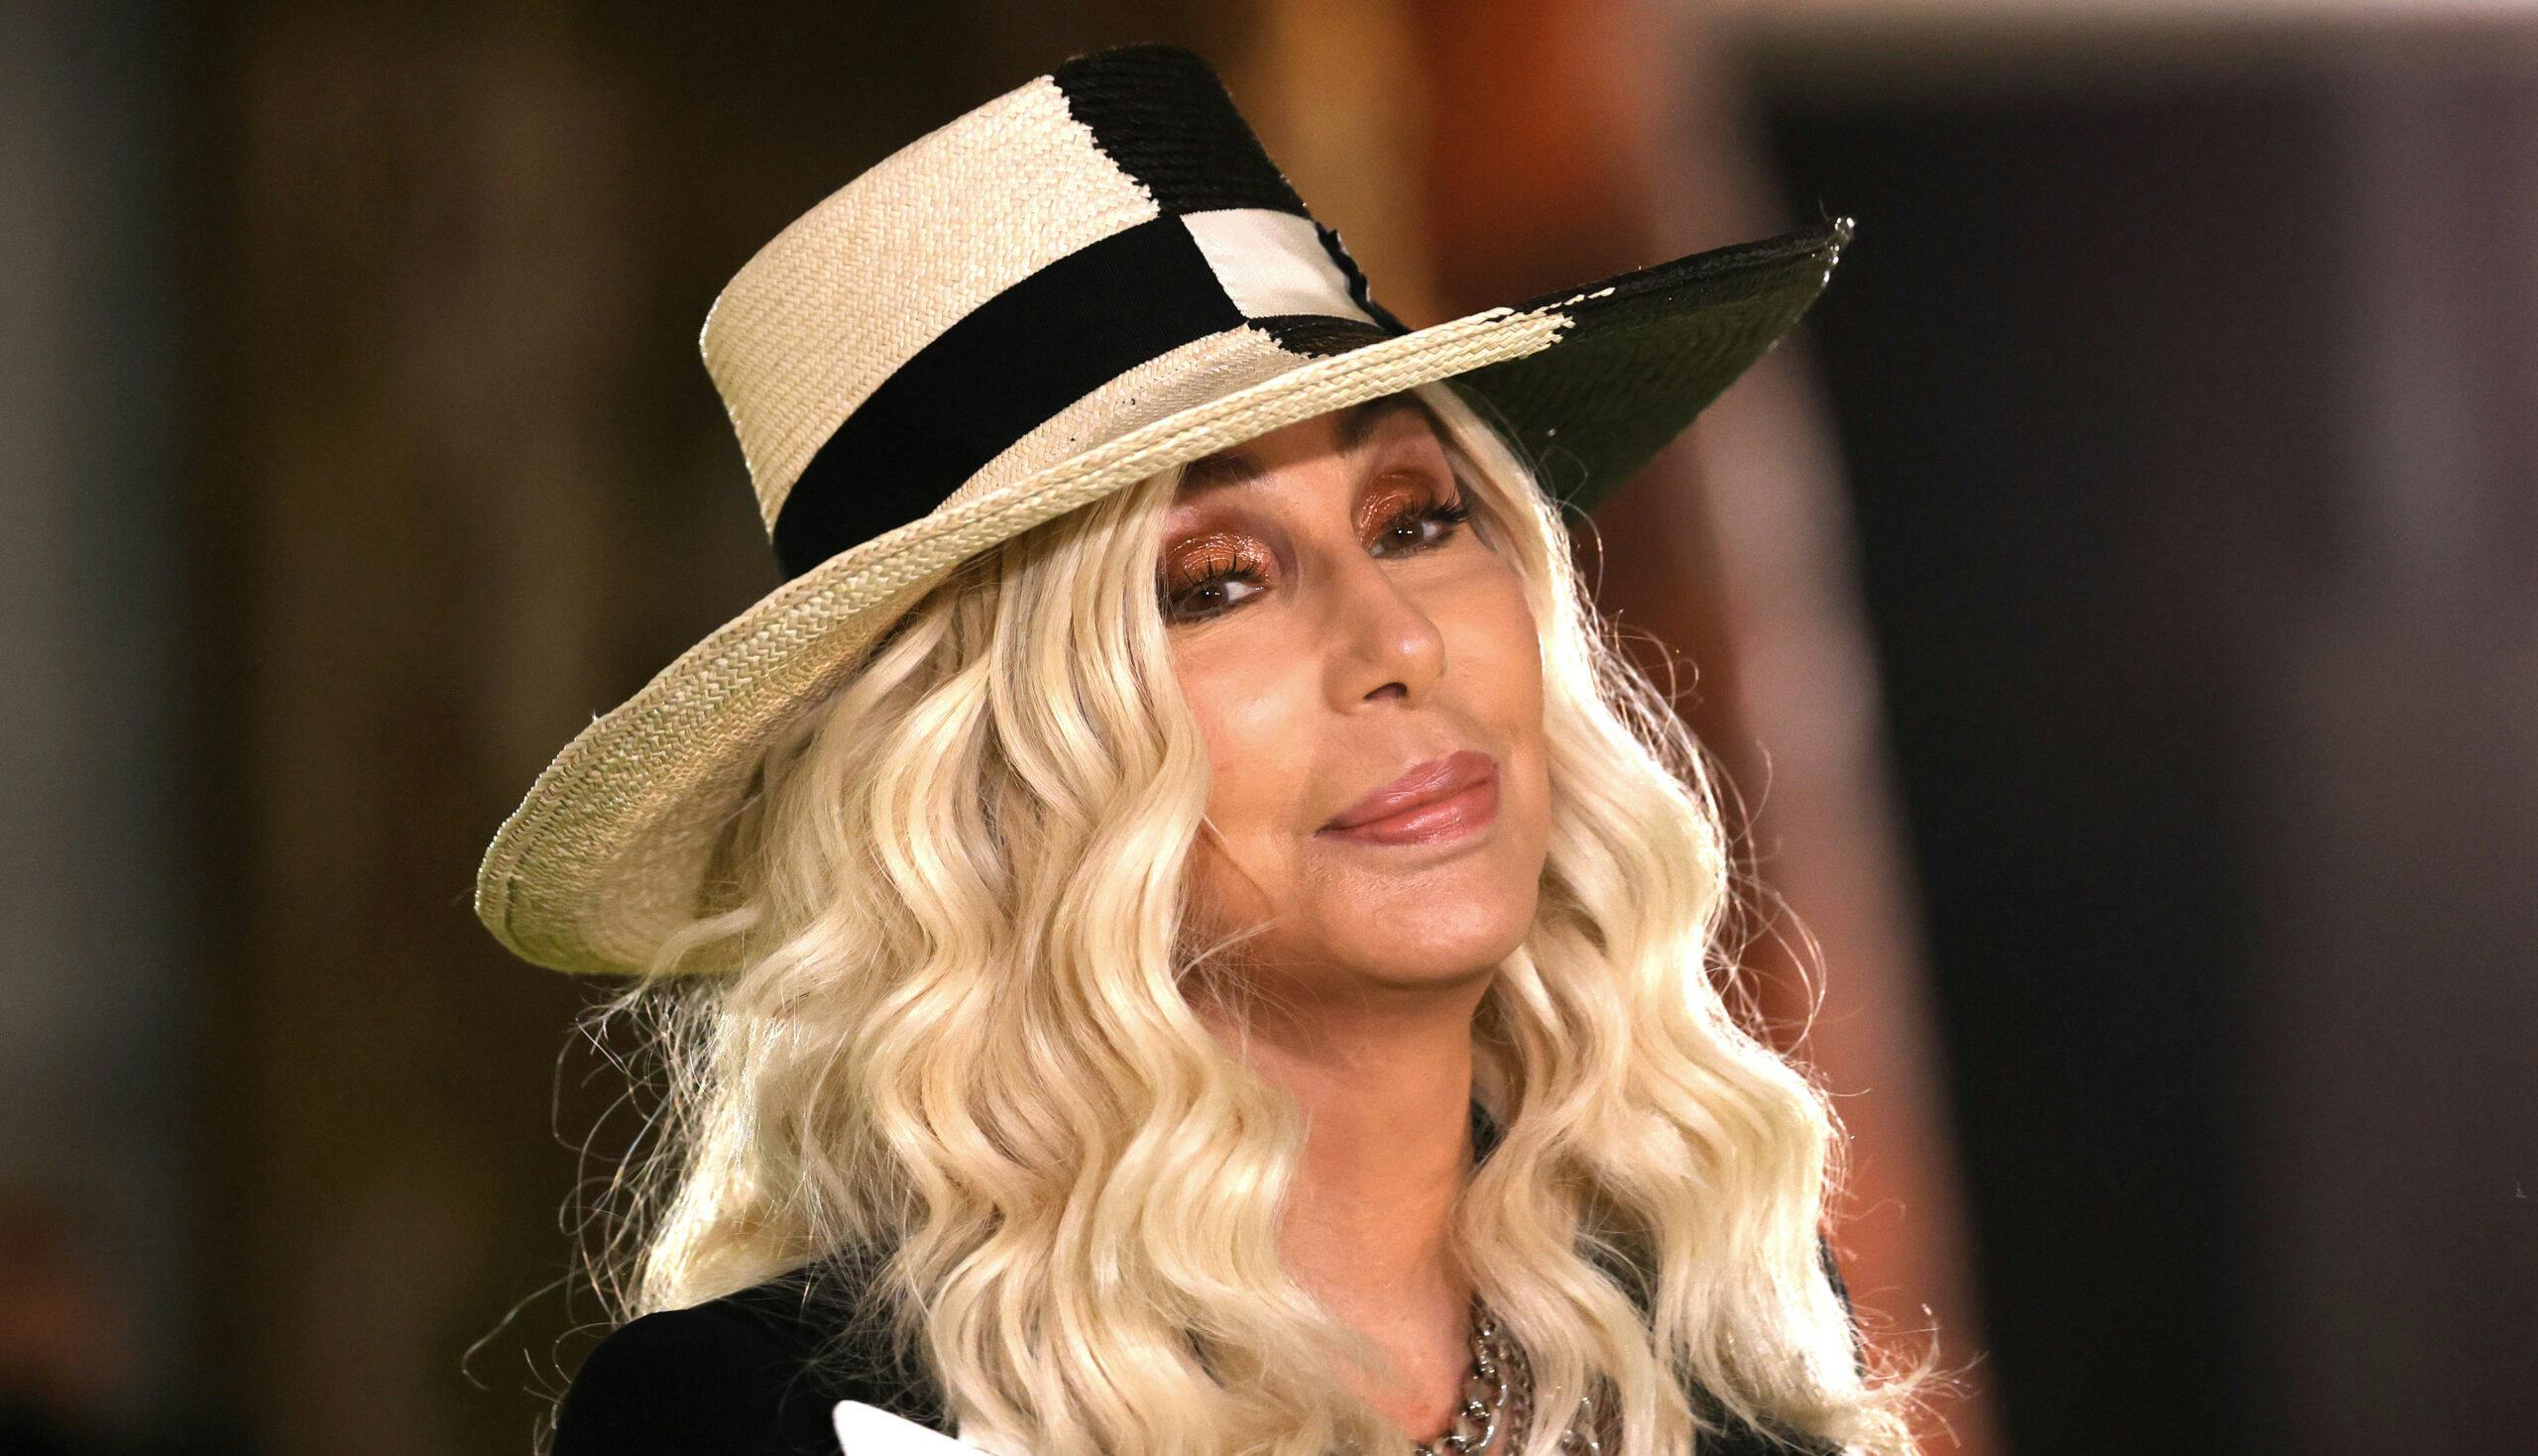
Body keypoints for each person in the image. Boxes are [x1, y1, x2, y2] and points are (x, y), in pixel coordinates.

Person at [473, 42, 1927, 1456]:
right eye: (1215, 582)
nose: (1398, 641)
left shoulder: (1733, 1346)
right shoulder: (752, 1421)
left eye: (1417, 518)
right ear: (982, 779)